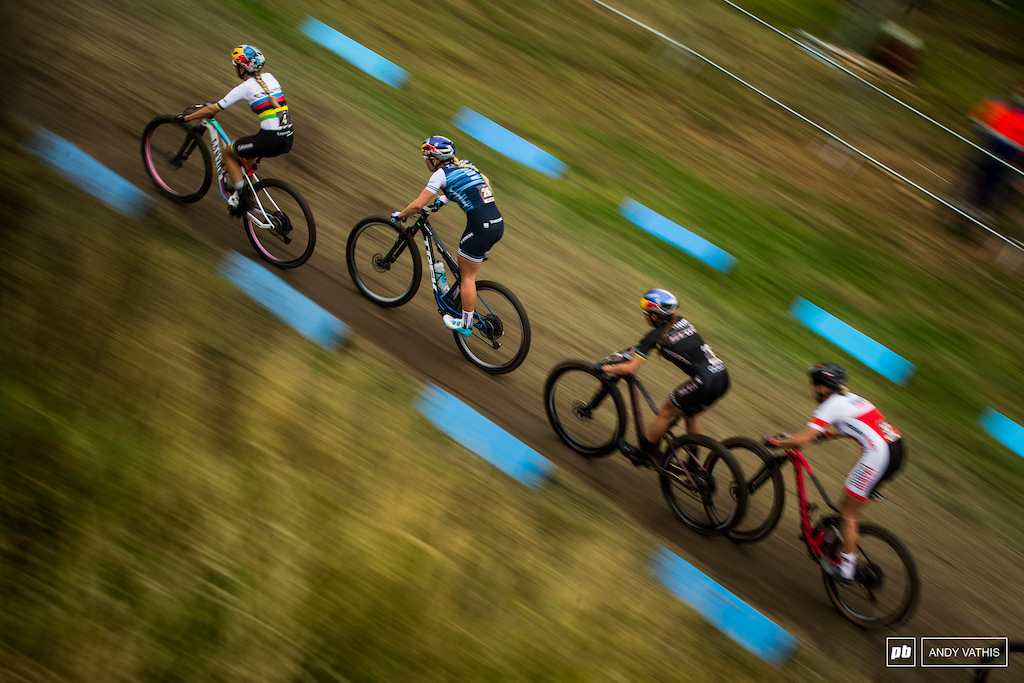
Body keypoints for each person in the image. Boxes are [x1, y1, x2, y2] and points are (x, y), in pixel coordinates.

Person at [764, 362, 905, 584]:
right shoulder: (853, 399)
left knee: (847, 515)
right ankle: (828, 538)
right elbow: (857, 426)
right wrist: (825, 435)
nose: (811, 389)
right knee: (848, 507)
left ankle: (846, 569)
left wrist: (775, 441)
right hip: (897, 450)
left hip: (879, 457)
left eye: (813, 384)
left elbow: (801, 440)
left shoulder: (830, 405)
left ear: (822, 386)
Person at [596, 289, 730, 466]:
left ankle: (643, 455)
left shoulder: (654, 336)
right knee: (690, 413)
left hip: (703, 382)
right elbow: (673, 343)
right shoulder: (683, 321)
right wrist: (638, 349)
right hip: (722, 376)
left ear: (654, 315)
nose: (644, 315)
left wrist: (604, 368)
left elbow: (631, 368)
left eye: (646, 312)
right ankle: (694, 464)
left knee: (666, 412)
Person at [390, 136, 503, 337]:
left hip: (480, 228)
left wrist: (401, 215)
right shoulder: (466, 165)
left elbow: (417, 205)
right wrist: (442, 200)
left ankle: (465, 323)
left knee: (468, 277)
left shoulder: (439, 175)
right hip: (497, 225)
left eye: (426, 157)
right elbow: (464, 188)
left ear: (435, 158)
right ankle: (453, 297)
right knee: (465, 269)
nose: (425, 161)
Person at [178, 44, 294, 217]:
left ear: (243, 67)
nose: (235, 69)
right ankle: (243, 187)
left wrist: (184, 118)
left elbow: (212, 110)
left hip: (269, 138)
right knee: (250, 149)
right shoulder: (271, 78)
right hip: (287, 138)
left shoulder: (246, 87)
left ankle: (243, 201)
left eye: (236, 66)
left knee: (228, 152)